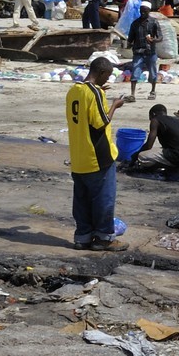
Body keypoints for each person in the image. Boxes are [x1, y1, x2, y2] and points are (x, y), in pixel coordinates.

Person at [65, 56, 127, 251]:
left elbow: (85, 111)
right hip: (97, 156)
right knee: (103, 198)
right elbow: (101, 123)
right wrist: (114, 105)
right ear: (101, 73)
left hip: (78, 155)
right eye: (107, 76)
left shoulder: (74, 90)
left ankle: (82, 236)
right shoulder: (94, 93)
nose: (107, 80)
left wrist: (99, 92)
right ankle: (104, 238)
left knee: (82, 199)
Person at [128, 103, 179, 181]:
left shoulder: (155, 120)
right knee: (165, 151)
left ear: (153, 114)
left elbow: (149, 146)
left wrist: (135, 156)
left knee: (142, 157)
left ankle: (173, 168)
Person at [127, 0, 161, 101]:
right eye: (141, 11)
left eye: (145, 11)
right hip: (138, 52)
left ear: (149, 11)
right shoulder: (135, 24)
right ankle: (132, 94)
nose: (142, 13)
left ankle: (153, 91)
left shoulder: (154, 22)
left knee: (153, 72)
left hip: (150, 52)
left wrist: (153, 40)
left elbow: (160, 37)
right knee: (135, 71)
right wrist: (128, 44)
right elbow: (130, 38)